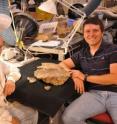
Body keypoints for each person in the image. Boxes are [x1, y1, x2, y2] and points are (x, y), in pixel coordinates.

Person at [59, 16, 117, 124]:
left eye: (95, 30)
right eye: (87, 31)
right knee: (68, 118)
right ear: (83, 34)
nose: (91, 34)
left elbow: (115, 78)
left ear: (102, 32)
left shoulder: (113, 49)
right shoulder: (82, 53)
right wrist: (74, 75)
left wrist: (85, 77)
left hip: (115, 94)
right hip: (94, 95)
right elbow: (62, 64)